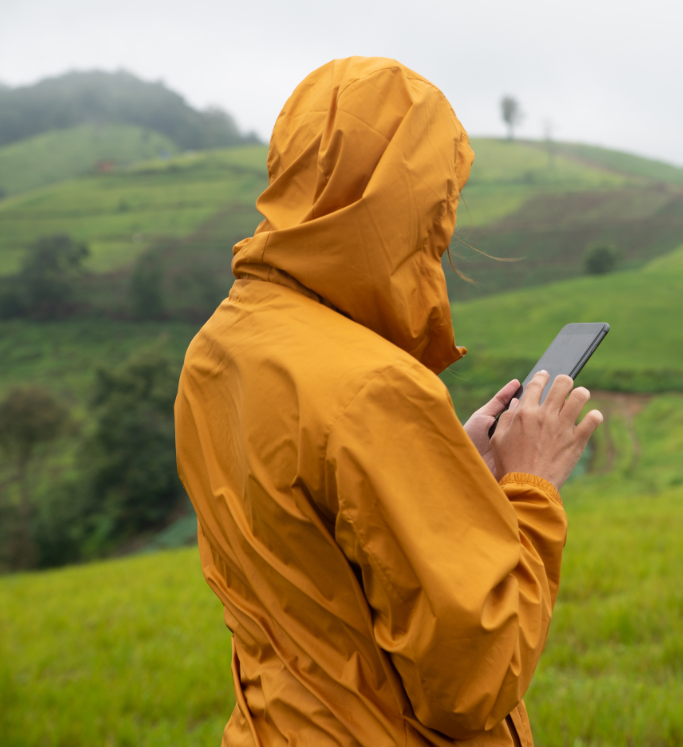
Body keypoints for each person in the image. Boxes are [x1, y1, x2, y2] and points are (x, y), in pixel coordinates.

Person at [174, 56, 602, 747]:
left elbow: (314, 540)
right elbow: (475, 675)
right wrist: (527, 487)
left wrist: (441, 471)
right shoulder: (375, 386)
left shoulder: (220, 346)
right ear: (411, 200)